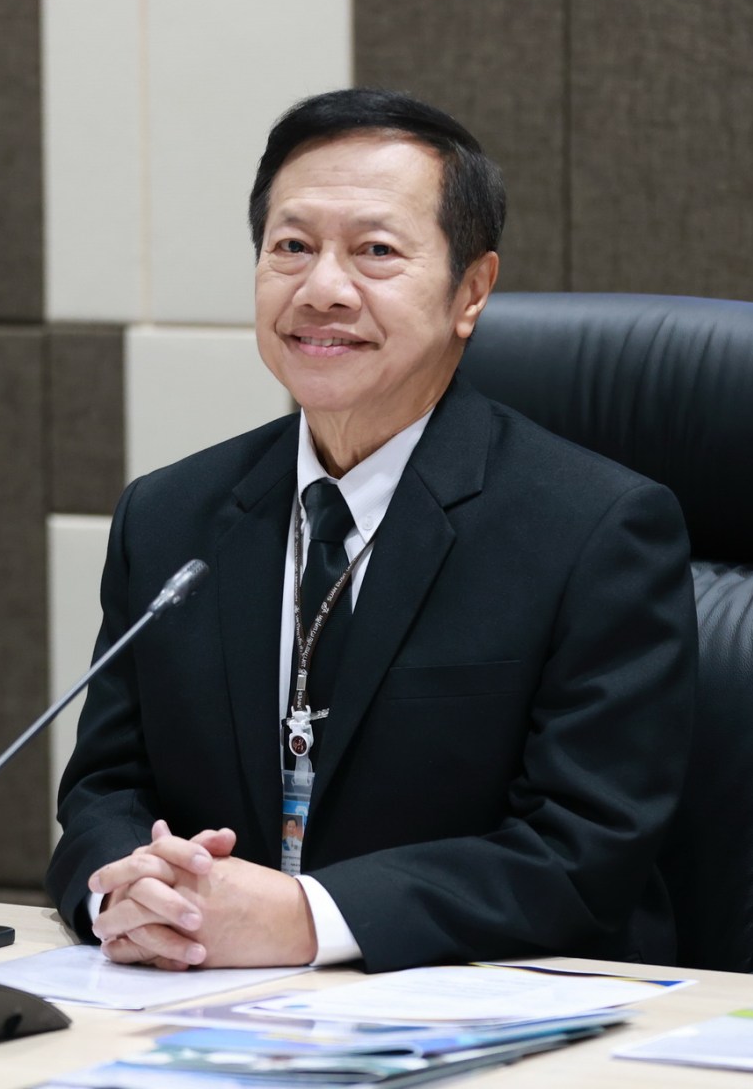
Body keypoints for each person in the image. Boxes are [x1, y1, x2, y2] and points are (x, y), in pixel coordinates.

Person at [45, 88, 697, 974]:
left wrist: (310, 919)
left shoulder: (596, 530)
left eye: (376, 251)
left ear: (471, 291)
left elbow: (584, 850)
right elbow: (106, 787)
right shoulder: (169, 516)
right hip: (200, 1000)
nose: (322, 290)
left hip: (484, 1009)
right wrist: (127, 894)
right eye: (291, 247)